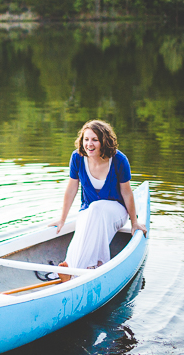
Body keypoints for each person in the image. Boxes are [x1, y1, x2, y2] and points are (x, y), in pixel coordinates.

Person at [51, 120, 147, 281]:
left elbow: (127, 192)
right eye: (86, 139)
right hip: (89, 209)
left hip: (117, 211)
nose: (89, 144)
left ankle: (79, 269)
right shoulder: (77, 158)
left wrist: (134, 222)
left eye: (95, 139)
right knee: (84, 225)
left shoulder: (119, 160)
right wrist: (62, 219)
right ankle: (80, 267)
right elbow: (71, 188)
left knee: (97, 208)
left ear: (104, 141)